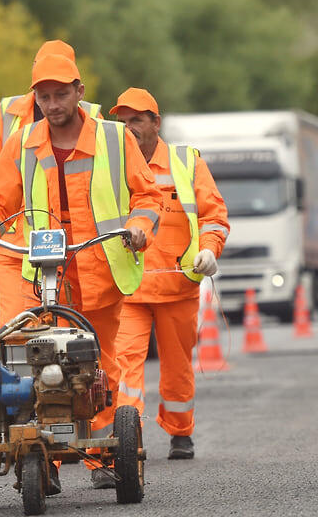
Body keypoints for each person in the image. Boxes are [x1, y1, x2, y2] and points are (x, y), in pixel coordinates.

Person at [0, 55, 162, 490]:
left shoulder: (114, 139)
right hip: (40, 273)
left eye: (60, 94)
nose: (52, 104)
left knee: (97, 366)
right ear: (34, 96)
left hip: (98, 266)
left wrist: (138, 227)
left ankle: (103, 457)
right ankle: (42, 462)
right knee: (33, 362)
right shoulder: (21, 142)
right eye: (44, 95)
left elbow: (148, 196)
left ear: (80, 91)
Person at [110, 88, 230, 460]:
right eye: (122, 121)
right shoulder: (110, 165)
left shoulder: (186, 162)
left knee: (177, 369)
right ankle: (129, 439)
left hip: (178, 288)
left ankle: (180, 433)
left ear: (155, 123)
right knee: (125, 366)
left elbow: (214, 216)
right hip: (128, 289)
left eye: (137, 120)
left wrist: (210, 249)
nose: (128, 128)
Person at [0, 40, 102, 327]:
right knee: (17, 337)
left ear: (77, 86)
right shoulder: (9, 113)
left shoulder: (93, 118)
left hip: (76, 248)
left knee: (77, 344)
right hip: (18, 249)